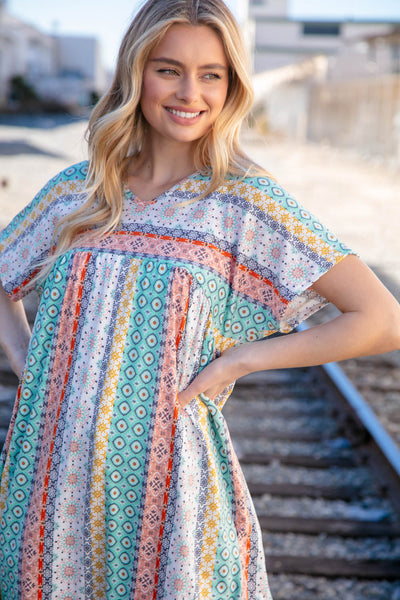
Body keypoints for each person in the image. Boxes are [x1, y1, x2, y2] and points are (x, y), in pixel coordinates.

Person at [0, 0, 399, 598]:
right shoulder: (78, 193)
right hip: (50, 477)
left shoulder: (244, 202)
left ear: (231, 85)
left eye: (211, 74)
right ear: (135, 73)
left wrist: (242, 360)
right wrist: (33, 366)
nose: (191, 92)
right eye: (169, 69)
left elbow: (382, 319)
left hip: (169, 486)